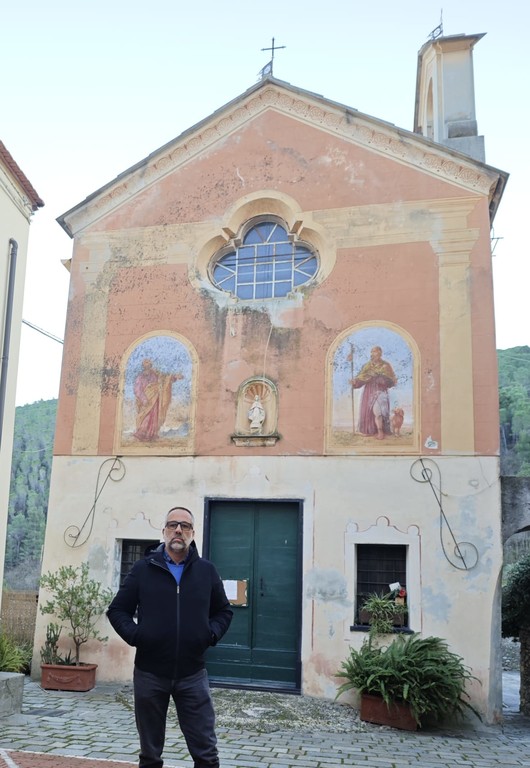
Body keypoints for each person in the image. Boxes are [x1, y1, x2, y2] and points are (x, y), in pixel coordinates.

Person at [107, 506, 233, 768]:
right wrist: (137, 636)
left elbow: (223, 611)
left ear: (192, 533)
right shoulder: (143, 569)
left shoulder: (206, 571)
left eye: (184, 526)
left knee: (207, 754)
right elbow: (117, 610)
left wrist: (209, 634)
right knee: (150, 755)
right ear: (164, 531)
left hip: (192, 674)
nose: (178, 530)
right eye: (173, 525)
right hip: (150, 674)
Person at [350, 346, 397, 439]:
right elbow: (361, 378)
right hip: (369, 391)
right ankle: (373, 431)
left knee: (380, 412)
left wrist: (382, 379)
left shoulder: (386, 365)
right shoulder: (367, 366)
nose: (374, 354)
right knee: (372, 412)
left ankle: (381, 431)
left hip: (381, 391)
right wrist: (355, 382)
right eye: (372, 352)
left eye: (376, 352)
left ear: (380, 354)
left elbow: (392, 381)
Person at [133, 359, 183, 442]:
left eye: (149, 366)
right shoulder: (140, 377)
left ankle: (152, 434)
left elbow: (165, 379)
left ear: (150, 366)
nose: (148, 368)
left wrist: (174, 377)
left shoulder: (155, 374)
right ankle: (142, 433)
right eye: (146, 366)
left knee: (154, 416)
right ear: (143, 367)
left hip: (155, 399)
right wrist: (144, 399)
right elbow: (138, 390)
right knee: (146, 416)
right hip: (146, 401)